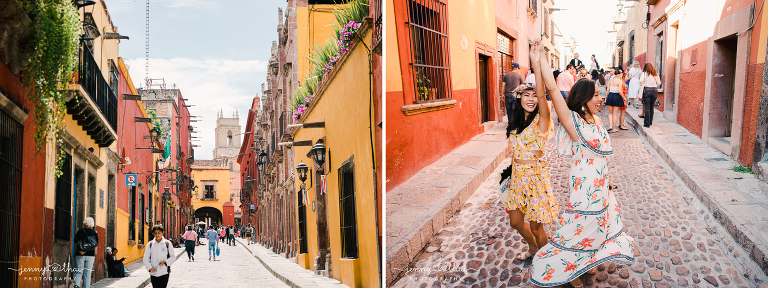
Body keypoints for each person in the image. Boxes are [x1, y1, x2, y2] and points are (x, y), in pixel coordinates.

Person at [528, 40, 634, 287]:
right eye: (597, 95)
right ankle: (569, 271)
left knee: (596, 227)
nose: (601, 98)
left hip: (600, 186)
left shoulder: (596, 120)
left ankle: (584, 263)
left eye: (600, 93)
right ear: (584, 98)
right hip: (583, 187)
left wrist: (607, 184)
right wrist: (539, 58)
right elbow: (554, 91)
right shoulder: (573, 122)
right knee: (578, 229)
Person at [501, 49, 560, 262]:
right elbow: (514, 153)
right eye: (526, 94)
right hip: (517, 180)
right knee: (515, 222)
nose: (531, 99)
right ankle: (534, 249)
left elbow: (543, 98)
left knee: (536, 227)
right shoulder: (515, 125)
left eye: (534, 95)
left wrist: (536, 66)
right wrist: (508, 177)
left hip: (535, 179)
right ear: (519, 98)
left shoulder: (541, 122)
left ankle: (551, 262)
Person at [74, 217, 97, 288]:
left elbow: (76, 242)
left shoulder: (80, 231)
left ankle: (76, 285)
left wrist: (81, 250)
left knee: (79, 271)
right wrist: (87, 250)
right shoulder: (94, 233)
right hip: (90, 255)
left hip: (80, 254)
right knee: (88, 273)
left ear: (85, 223)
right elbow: (95, 244)